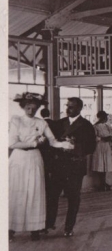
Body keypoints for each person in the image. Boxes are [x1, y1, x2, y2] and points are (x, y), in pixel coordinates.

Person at [8, 93, 74, 242]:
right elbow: (11, 143)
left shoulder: (41, 123)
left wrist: (65, 144)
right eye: (28, 107)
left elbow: (52, 141)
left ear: (38, 108)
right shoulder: (16, 120)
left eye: (34, 108)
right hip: (19, 159)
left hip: (34, 160)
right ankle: (10, 229)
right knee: (16, 192)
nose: (31, 111)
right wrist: (34, 144)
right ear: (23, 107)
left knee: (34, 192)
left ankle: (35, 228)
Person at [46, 97, 96, 237]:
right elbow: (51, 143)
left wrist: (74, 147)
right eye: (67, 106)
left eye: (72, 107)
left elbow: (91, 147)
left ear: (80, 108)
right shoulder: (59, 123)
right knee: (52, 196)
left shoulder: (86, 125)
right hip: (58, 166)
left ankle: (69, 227)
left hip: (75, 166)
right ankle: (49, 224)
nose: (68, 109)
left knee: (73, 198)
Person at [91, 111, 112, 191]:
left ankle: (104, 182)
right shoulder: (95, 126)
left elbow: (110, 137)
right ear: (101, 117)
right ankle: (102, 183)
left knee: (105, 164)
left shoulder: (107, 126)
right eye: (105, 117)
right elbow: (95, 138)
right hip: (99, 147)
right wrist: (103, 138)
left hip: (106, 146)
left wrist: (104, 138)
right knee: (99, 164)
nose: (106, 118)